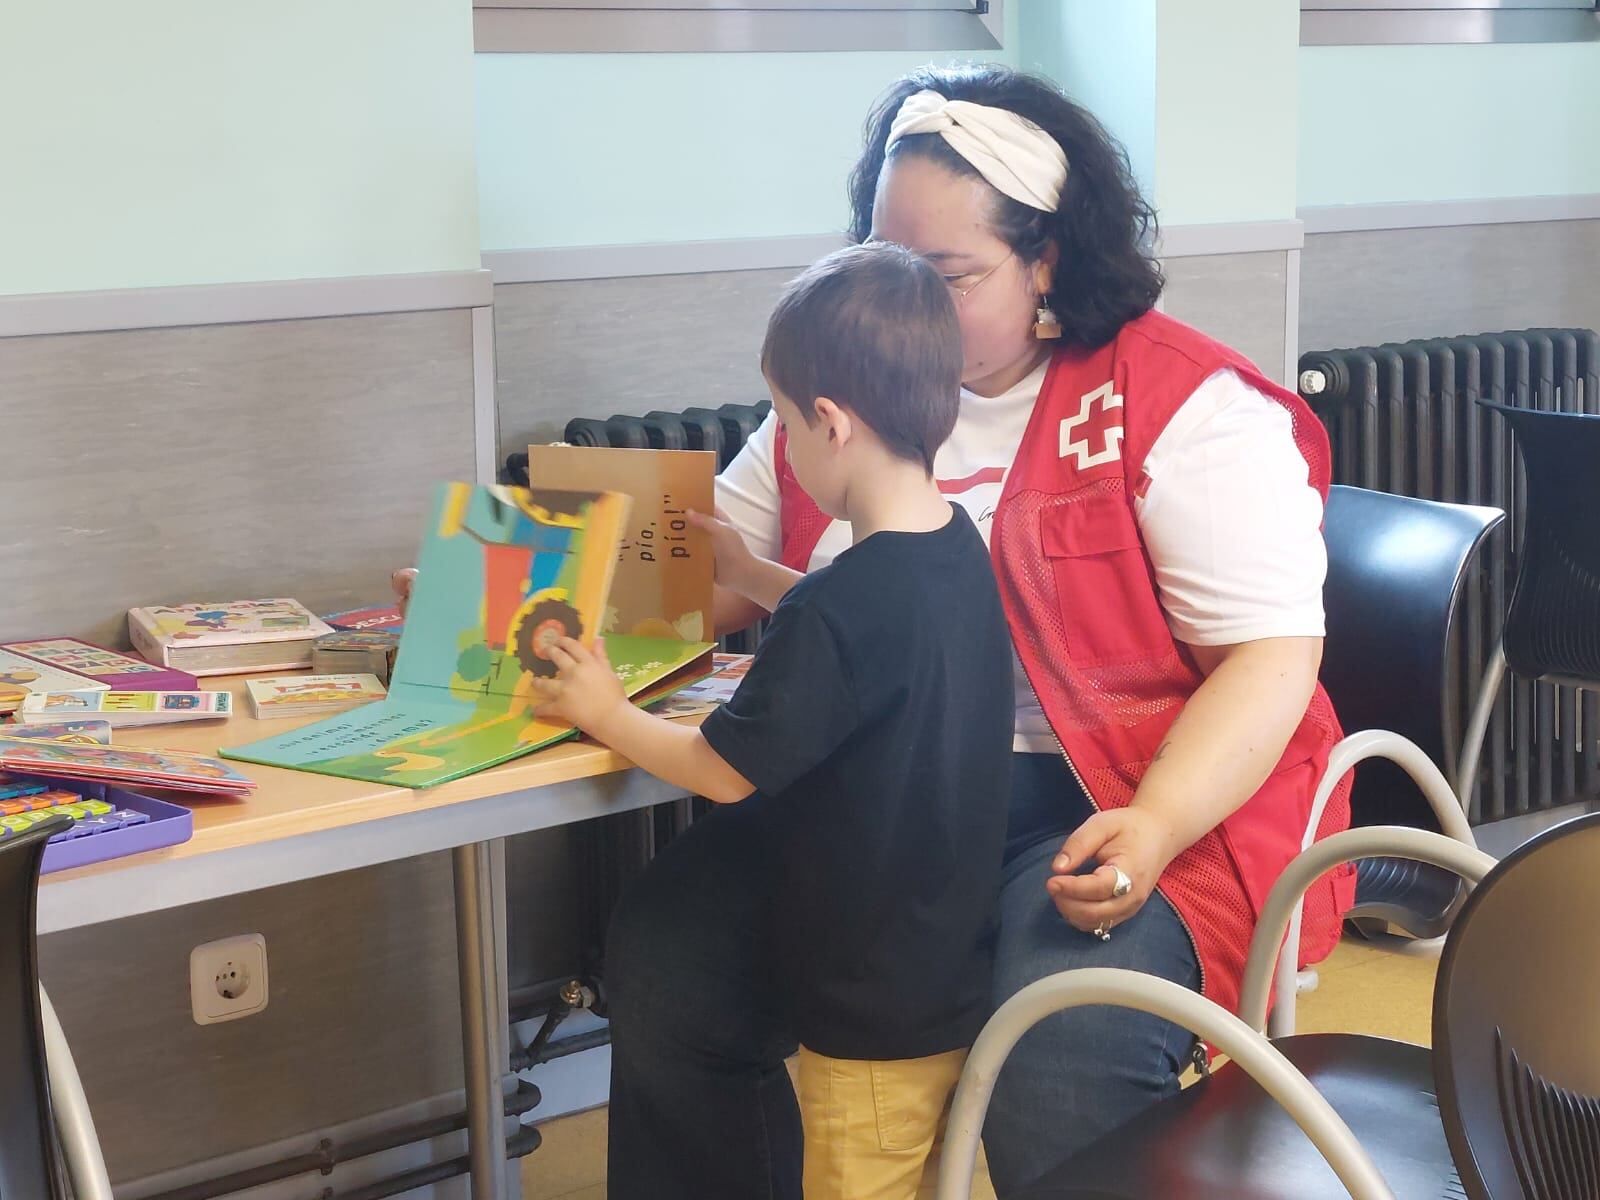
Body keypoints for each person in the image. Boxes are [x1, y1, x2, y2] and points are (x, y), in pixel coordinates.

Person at [703, 65, 1356, 1191]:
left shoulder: (1178, 403)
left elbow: (1270, 661)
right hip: (888, 789)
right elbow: (697, 573)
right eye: (882, 264)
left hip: (1116, 795)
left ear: (1045, 262)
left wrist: (1153, 821)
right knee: (682, 958)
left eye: (946, 276)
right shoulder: (839, 387)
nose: (900, 304)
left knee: (1058, 1042)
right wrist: (515, 587)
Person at [534, 242, 1015, 1200]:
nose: (784, 449)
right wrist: (756, 579)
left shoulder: (840, 610)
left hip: (865, 1013)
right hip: (942, 973)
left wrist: (604, 710)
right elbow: (873, 630)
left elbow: (722, 769)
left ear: (831, 424)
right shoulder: (952, 549)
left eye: (786, 426)